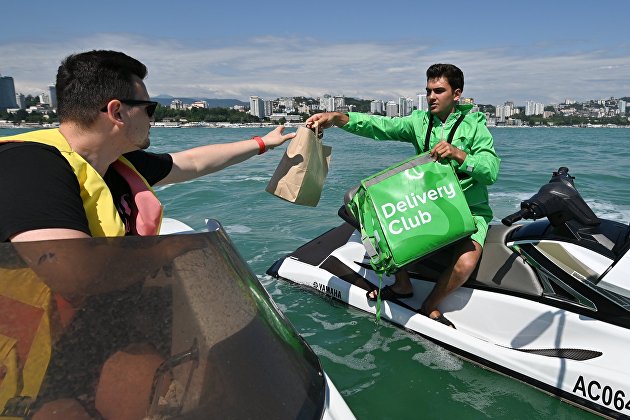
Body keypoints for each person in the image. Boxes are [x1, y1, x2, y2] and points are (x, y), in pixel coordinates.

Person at [0, 50, 295, 419]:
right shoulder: (31, 167)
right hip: (35, 360)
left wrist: (264, 143)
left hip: (96, 327)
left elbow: (190, 163)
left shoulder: (112, 161)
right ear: (117, 111)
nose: (155, 118)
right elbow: (74, 274)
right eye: (150, 108)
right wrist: (169, 249)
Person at [306, 63, 500, 329]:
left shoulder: (476, 126)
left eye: (439, 91)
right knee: (381, 216)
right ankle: (402, 283)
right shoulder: (419, 122)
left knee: (465, 263)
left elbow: (491, 171)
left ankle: (430, 306)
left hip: (470, 209)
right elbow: (380, 125)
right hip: (430, 202)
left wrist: (459, 155)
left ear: (456, 94)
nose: (431, 96)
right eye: (428, 90)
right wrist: (338, 118)